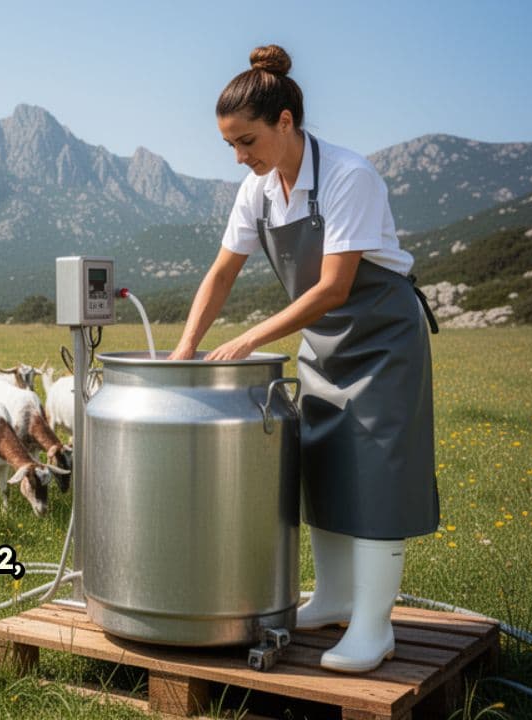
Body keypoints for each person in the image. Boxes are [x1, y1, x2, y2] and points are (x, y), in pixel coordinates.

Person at [169, 45, 440, 674]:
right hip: (323, 343)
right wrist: (185, 347)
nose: (240, 157)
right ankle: (336, 597)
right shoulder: (257, 191)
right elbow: (221, 273)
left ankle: (374, 628)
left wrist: (248, 340)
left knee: (376, 474)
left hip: (381, 340)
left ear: (285, 122)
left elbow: (334, 287)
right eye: (231, 146)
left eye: (247, 140)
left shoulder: (349, 176)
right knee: (322, 466)